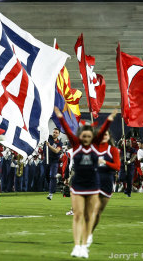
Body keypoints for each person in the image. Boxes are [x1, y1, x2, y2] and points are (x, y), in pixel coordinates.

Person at [54, 106, 117, 258]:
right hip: (78, 184)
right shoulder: (75, 145)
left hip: (93, 185)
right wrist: (60, 117)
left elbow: (102, 131)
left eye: (89, 136)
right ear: (80, 136)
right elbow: (68, 131)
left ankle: (84, 245)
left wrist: (110, 118)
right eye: (84, 136)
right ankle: (77, 246)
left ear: (92, 137)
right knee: (77, 215)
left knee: (89, 216)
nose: (87, 139)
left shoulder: (96, 146)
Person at [89, 130, 120, 247]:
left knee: (98, 212)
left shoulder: (112, 150)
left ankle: (90, 233)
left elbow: (117, 166)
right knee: (93, 208)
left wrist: (105, 162)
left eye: (105, 134)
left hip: (107, 182)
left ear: (108, 136)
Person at [45, 128, 63, 200]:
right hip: (46, 160)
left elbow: (56, 151)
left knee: (52, 175)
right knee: (47, 176)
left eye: (56, 132)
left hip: (54, 161)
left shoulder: (59, 143)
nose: (54, 133)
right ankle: (55, 182)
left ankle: (50, 194)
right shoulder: (48, 138)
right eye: (54, 132)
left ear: (58, 134)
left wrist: (49, 146)